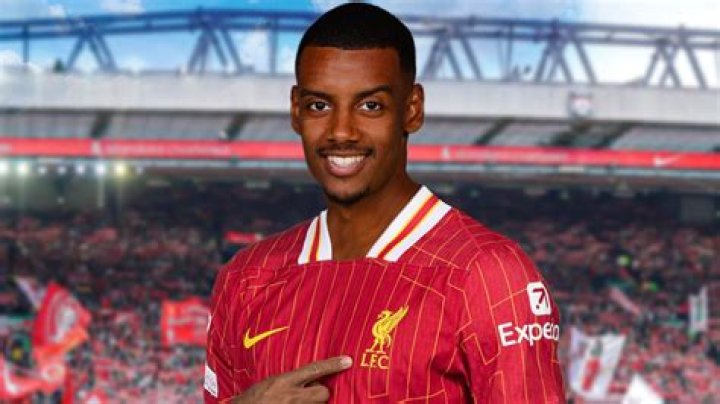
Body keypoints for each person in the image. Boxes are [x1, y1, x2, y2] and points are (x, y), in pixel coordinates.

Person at [204, 3, 565, 403]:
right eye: (319, 105)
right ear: (295, 111)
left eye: (370, 106)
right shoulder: (246, 279)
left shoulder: (489, 275)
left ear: (412, 110)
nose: (342, 131)